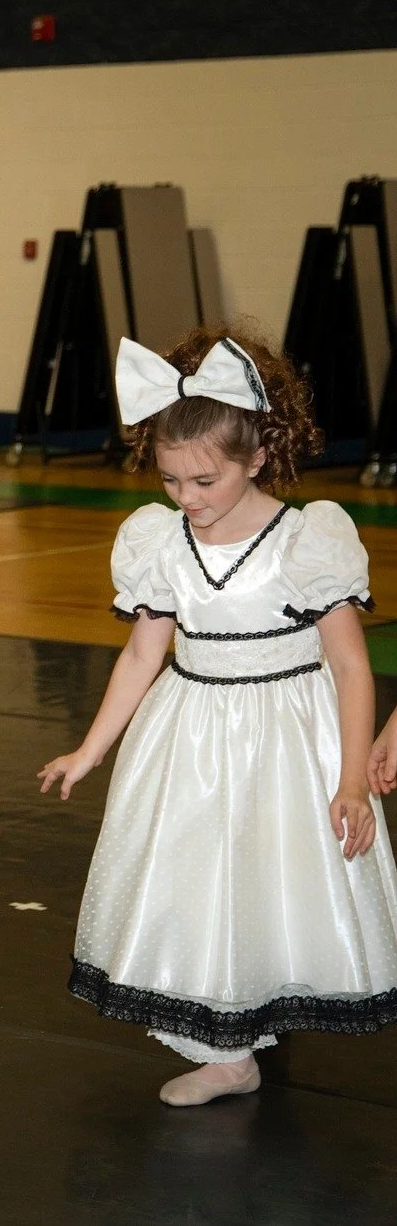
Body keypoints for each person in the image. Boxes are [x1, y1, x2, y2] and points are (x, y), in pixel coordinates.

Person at [40, 331, 397, 1106]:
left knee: (270, 879)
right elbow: (142, 655)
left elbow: (349, 664)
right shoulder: (159, 542)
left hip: (287, 739)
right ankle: (224, 1049)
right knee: (196, 881)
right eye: (171, 480)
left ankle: (256, 1008)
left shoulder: (307, 542)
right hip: (191, 736)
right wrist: (90, 750)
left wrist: (351, 780)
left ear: (258, 458)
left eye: (205, 480)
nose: (187, 498)